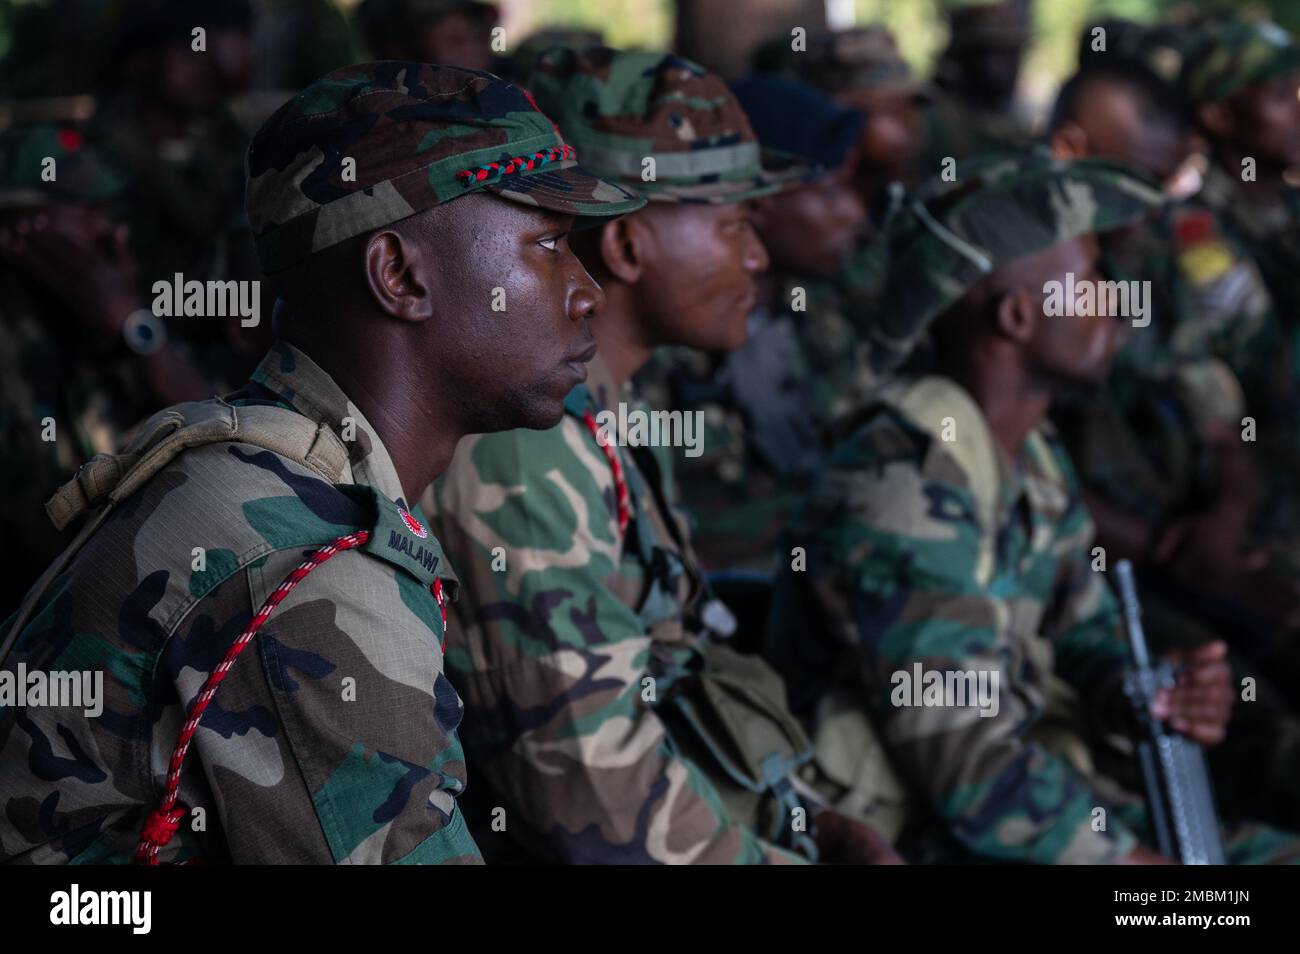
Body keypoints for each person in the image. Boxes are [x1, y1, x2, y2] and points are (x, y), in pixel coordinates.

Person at [0, 61, 644, 865]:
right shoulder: (305, 560)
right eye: (548, 243)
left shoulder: (276, 472)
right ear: (400, 275)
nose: (590, 293)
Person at [428, 46, 898, 865]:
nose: (757, 256)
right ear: (630, 245)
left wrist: (810, 823)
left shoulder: (603, 402)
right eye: (733, 223)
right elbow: (599, 811)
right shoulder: (526, 450)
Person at [768, 150, 1300, 864]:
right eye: (1086, 281)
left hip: (1033, 814)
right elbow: (967, 765)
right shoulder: (904, 484)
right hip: (919, 838)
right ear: (1017, 316)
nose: (1114, 298)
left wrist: (1151, 689)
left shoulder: (1027, 452)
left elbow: (1084, 628)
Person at [634, 76, 868, 577]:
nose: (853, 212)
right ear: (761, 199)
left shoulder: (818, 314)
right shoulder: (654, 342)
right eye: (828, 191)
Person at [0, 123, 210, 613]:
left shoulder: (100, 330)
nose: (112, 232)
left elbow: (220, 435)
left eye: (111, 212)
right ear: (16, 234)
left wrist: (132, 325)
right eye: (87, 213)